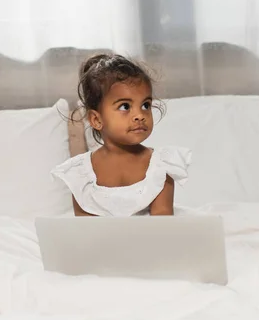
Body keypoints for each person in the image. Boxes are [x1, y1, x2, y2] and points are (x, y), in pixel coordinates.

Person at [51, 53, 192, 217]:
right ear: (96, 120)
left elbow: (162, 223)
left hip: (152, 240)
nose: (139, 115)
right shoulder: (80, 174)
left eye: (145, 105)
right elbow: (86, 232)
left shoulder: (161, 165)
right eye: (125, 106)